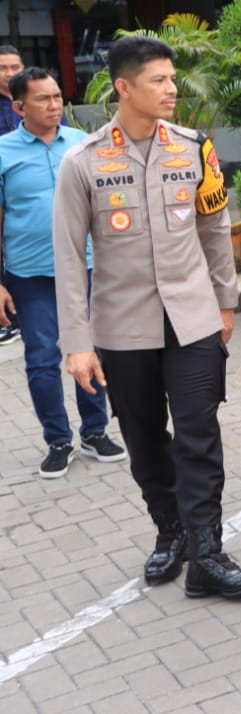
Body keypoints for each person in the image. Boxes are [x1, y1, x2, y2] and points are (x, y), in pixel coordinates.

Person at [55, 35, 241, 598]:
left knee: (199, 433)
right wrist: (76, 342)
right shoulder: (83, 162)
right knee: (146, 437)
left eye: (173, 79)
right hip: (123, 328)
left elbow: (214, 230)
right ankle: (169, 532)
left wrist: (225, 301)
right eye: (159, 81)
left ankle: (208, 555)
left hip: (193, 319)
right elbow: (69, 258)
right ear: (124, 87)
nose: (172, 89)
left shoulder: (195, 149)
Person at [1, 68, 125, 477]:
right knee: (40, 358)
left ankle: (94, 431)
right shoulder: (3, 152)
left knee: (94, 349)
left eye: (57, 97)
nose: (54, 105)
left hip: (88, 266)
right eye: (43, 99)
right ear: (19, 106)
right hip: (30, 273)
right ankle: (58, 439)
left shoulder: (83, 144)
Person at [0, 46, 23, 343]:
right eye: (3, 68)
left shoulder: (37, 99)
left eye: (14, 67)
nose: (9, 73)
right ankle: (8, 319)